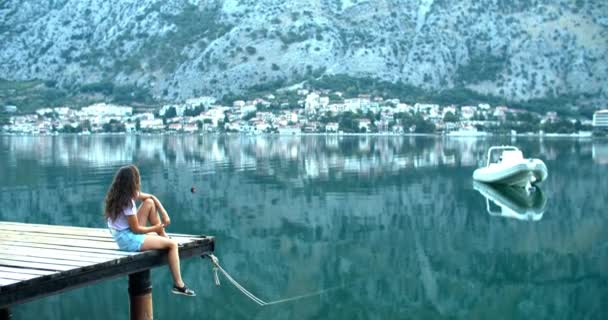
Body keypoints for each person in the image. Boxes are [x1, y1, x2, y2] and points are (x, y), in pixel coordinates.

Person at [104, 165, 195, 296]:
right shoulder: (127, 202)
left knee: (149, 203)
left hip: (124, 233)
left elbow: (151, 197)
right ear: (132, 182)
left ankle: (163, 236)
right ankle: (178, 284)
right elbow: (136, 230)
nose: (138, 181)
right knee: (172, 245)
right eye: (137, 179)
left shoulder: (121, 194)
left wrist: (164, 212)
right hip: (127, 239)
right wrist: (156, 228)